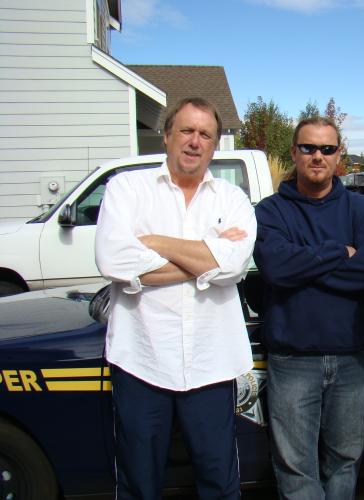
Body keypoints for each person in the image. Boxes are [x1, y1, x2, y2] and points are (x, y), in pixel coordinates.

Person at [95, 97, 256, 500]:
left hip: (210, 365)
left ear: (214, 145)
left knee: (219, 483)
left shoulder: (232, 200)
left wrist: (155, 244)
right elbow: (114, 260)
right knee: (139, 483)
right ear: (167, 135)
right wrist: (207, 255)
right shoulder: (127, 189)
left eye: (205, 134)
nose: (194, 141)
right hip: (141, 362)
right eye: (186, 130)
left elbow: (234, 267)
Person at [253, 117, 364, 500]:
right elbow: (276, 268)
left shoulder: (363, 212)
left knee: (345, 459)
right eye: (308, 147)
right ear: (293, 152)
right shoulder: (271, 211)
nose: (317, 156)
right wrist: (337, 252)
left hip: (352, 358)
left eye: (327, 149)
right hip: (292, 359)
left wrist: (303, 266)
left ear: (339, 154)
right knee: (295, 467)